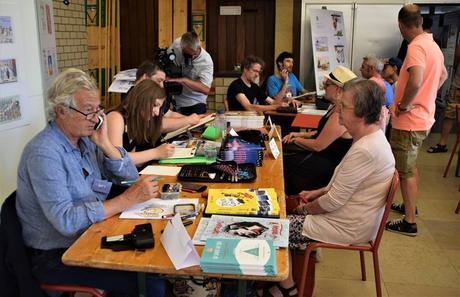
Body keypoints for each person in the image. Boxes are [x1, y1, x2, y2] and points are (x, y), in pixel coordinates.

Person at [15, 68, 166, 296]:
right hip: (56, 254)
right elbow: (66, 221)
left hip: (91, 233)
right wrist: (125, 200)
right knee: (148, 283)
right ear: (61, 111)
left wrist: (105, 144)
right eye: (88, 111)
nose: (96, 119)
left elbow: (128, 177)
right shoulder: (44, 153)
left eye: (98, 110)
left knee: (153, 259)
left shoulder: (86, 141)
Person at [258, 79, 395, 297]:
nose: (338, 112)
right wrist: (317, 192)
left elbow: (333, 202)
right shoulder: (368, 138)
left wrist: (302, 209)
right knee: (280, 211)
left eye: (344, 107)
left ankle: (288, 288)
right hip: (351, 216)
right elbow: (343, 185)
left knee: (273, 226)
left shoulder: (366, 149)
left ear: (361, 113)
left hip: (346, 225)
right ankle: (286, 279)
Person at [386, 4, 447, 237]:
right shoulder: (433, 45)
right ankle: (410, 206)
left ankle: (409, 221)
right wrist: (427, 96)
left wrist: (404, 104)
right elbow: (442, 75)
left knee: (406, 171)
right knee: (410, 167)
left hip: (409, 120)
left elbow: (416, 80)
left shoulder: (415, 47)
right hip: (423, 119)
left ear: (402, 25)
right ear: (420, 22)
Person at [282, 65, 355, 195]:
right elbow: (320, 132)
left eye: (327, 85)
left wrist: (297, 140)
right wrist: (298, 134)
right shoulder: (334, 107)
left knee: (287, 164)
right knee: (286, 160)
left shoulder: (340, 112)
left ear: (338, 89)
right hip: (322, 157)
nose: (323, 88)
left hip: (327, 164)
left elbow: (318, 145)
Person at [107, 80, 176, 167]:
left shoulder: (138, 120)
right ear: (141, 99)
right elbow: (117, 159)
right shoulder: (115, 117)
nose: (157, 113)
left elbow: (134, 159)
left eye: (160, 107)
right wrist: (155, 153)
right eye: (155, 105)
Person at [134, 60, 205, 133]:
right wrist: (189, 120)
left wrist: (195, 119)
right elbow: (156, 125)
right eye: (159, 80)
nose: (162, 86)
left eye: (163, 81)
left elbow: (168, 113)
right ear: (145, 77)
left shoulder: (152, 94)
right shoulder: (134, 96)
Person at [167, 32, 213, 115]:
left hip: (196, 102)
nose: (192, 58)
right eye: (187, 55)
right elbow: (167, 62)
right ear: (181, 47)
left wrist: (184, 80)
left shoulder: (206, 61)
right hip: (176, 100)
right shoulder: (177, 45)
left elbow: (205, 89)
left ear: (199, 47)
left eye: (195, 54)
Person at [427, 44, 460, 153]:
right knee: (449, 114)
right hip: (457, 86)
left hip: (457, 85)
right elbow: (456, 59)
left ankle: (443, 143)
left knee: (449, 115)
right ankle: (442, 143)